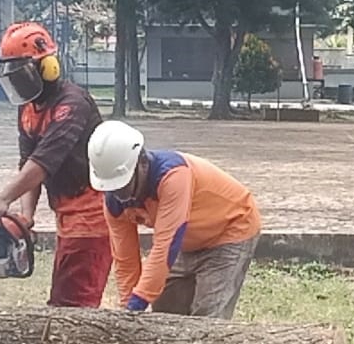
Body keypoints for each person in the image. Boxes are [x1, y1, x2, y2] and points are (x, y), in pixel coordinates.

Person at [0, 21, 111, 307]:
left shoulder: (72, 104)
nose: (18, 83)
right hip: (67, 217)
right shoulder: (28, 109)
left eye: (22, 74)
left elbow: (43, 162)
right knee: (64, 299)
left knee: (75, 304)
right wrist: (26, 216)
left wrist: (3, 199)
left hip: (93, 215)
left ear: (48, 66)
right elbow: (28, 164)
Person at [87, 120, 261, 319]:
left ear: (142, 162)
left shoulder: (173, 176)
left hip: (230, 229)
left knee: (208, 319)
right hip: (187, 239)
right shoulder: (114, 201)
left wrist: (137, 304)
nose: (119, 194)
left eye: (124, 185)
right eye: (113, 188)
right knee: (166, 312)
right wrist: (129, 308)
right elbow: (126, 259)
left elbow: (165, 244)